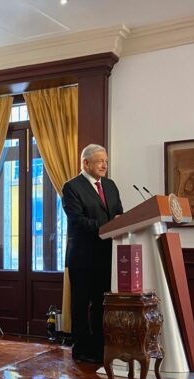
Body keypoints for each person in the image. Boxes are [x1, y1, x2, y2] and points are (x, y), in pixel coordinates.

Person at [62, 144, 123, 363]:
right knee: (81, 304)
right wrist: (109, 224)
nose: (104, 165)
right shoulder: (72, 187)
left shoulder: (110, 185)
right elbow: (78, 222)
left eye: (106, 161)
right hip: (83, 257)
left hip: (107, 255)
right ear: (85, 163)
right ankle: (82, 349)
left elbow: (119, 215)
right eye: (100, 161)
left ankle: (100, 347)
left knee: (102, 304)